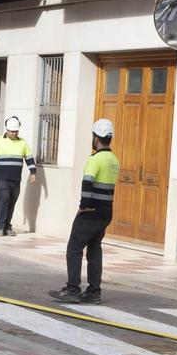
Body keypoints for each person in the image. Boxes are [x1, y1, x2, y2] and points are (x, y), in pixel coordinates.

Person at [49, 118, 119, 305]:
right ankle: (94, 292)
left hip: (91, 211)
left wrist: (83, 206)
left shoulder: (95, 159)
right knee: (95, 250)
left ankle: (73, 289)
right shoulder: (114, 160)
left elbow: (87, 182)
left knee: (74, 248)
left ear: (96, 138)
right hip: (106, 212)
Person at [0, 115, 36, 236]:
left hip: (15, 178)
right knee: (4, 198)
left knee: (12, 201)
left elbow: (29, 158)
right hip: (1, 177)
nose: (14, 133)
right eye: (12, 131)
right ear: (7, 130)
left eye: (16, 131)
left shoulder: (22, 143)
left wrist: (33, 172)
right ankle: (0, 227)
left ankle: (7, 226)